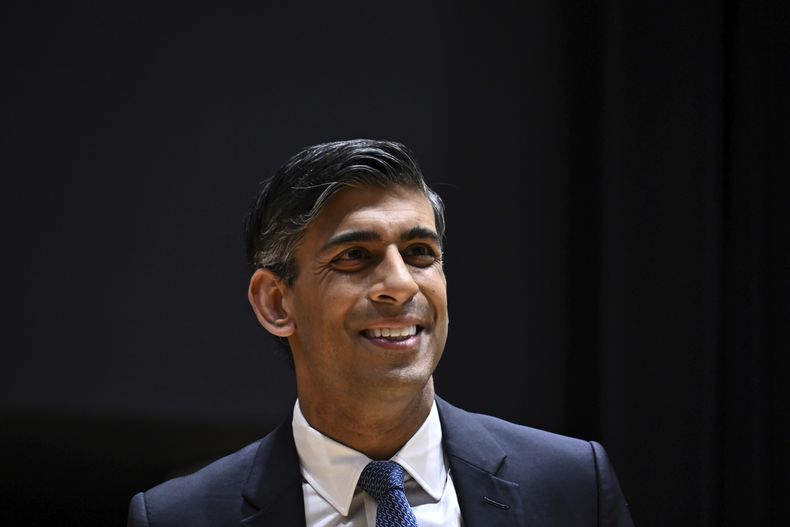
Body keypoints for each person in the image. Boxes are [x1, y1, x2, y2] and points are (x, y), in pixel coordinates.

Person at [127, 139, 635, 526]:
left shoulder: (572, 486)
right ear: (276, 302)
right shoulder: (180, 516)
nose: (399, 283)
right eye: (354, 256)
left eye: (420, 253)